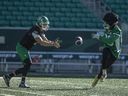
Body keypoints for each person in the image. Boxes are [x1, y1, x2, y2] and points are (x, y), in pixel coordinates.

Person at [3, 16, 60, 88]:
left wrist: (53, 42)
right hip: (22, 47)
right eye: (44, 24)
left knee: (27, 65)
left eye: (46, 24)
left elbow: (45, 40)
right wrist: (53, 44)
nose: (45, 26)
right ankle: (14, 79)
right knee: (28, 64)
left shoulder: (40, 29)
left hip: (25, 48)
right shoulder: (35, 31)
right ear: (40, 23)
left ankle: (11, 77)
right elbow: (42, 42)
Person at [91, 12, 122, 87]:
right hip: (109, 48)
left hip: (115, 53)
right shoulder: (108, 28)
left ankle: (100, 75)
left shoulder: (117, 31)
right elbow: (107, 40)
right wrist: (104, 45)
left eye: (106, 22)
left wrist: (98, 37)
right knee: (105, 53)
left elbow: (110, 40)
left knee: (102, 69)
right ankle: (104, 72)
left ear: (111, 22)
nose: (105, 23)